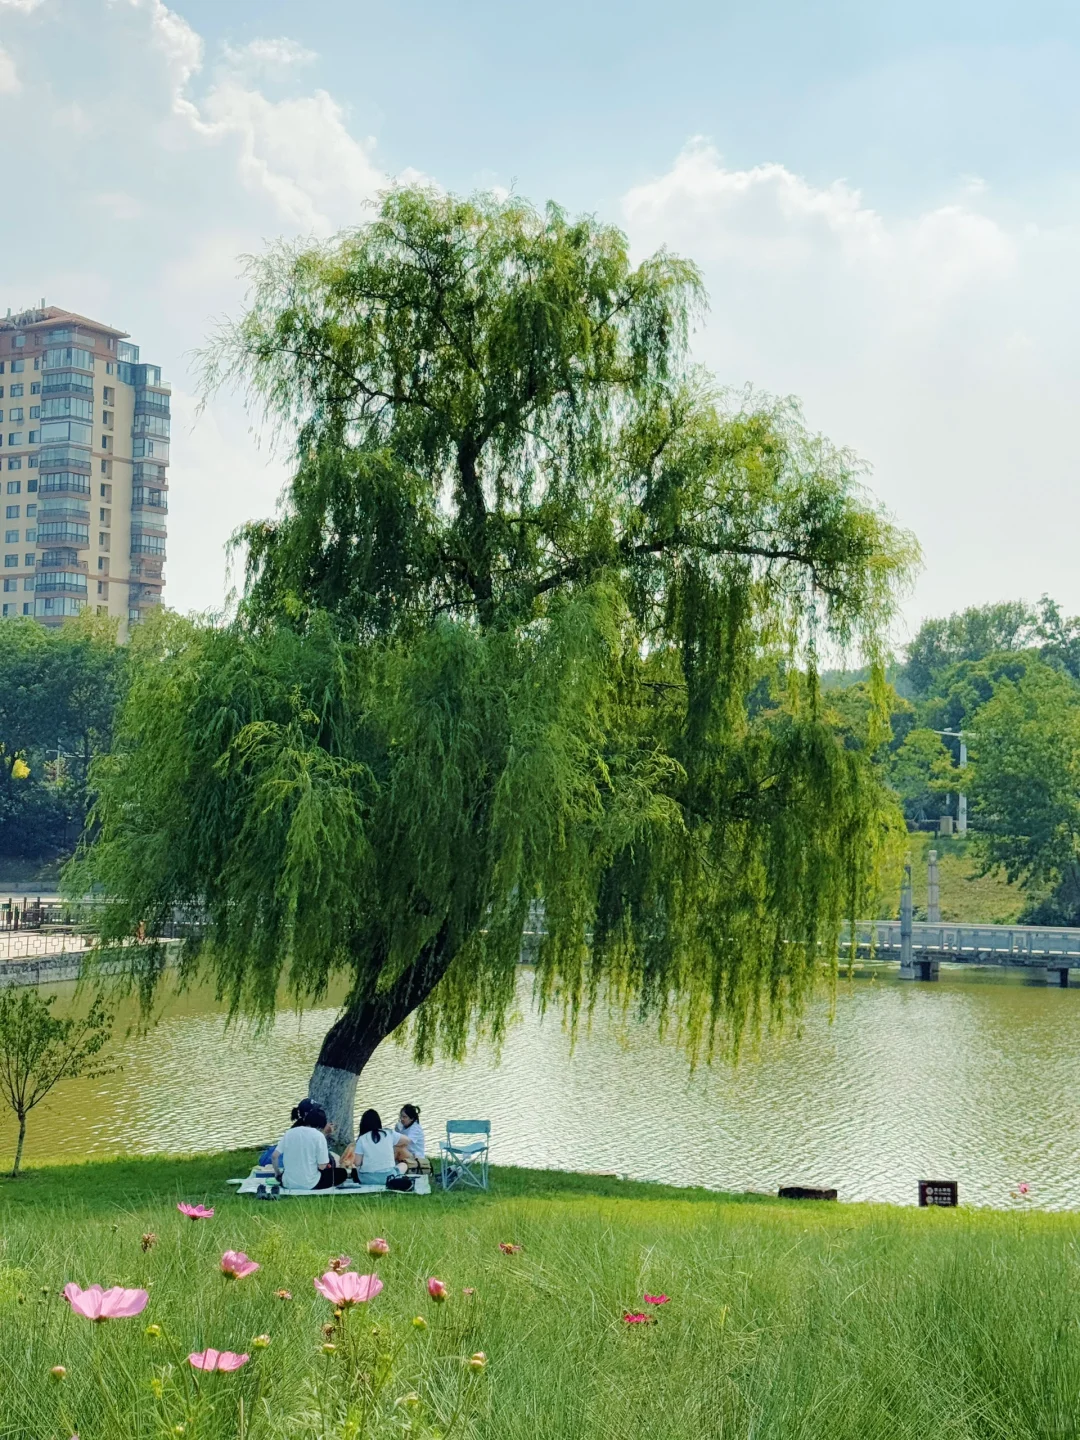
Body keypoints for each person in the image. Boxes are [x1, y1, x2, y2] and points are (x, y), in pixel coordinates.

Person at [273, 1104, 349, 1191]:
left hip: (288, 1183)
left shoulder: (289, 1132)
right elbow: (322, 1166)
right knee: (342, 1173)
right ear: (322, 1125)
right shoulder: (319, 1136)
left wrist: (277, 1173)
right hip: (311, 1183)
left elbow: (274, 1156)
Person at [342, 1109, 402, 1181]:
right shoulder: (388, 1133)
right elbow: (407, 1141)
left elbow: (357, 1162)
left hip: (367, 1178)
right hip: (389, 1177)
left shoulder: (362, 1139)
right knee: (403, 1165)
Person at [393, 1103, 427, 1169]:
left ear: (411, 1119)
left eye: (404, 1117)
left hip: (416, 1157)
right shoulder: (403, 1126)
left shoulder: (415, 1128)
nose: (402, 1119)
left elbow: (406, 1142)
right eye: (401, 1116)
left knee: (398, 1148)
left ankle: (388, 1168)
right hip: (408, 1153)